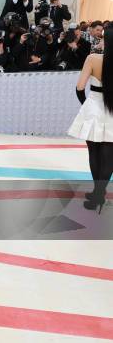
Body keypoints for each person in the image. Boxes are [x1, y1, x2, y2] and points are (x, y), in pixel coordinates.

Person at [68, 28, 113, 212]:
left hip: (94, 108)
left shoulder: (93, 59)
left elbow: (80, 88)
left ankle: (97, 195)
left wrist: (86, 105)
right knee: (109, 157)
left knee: (94, 154)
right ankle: (99, 194)